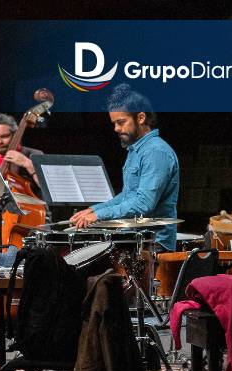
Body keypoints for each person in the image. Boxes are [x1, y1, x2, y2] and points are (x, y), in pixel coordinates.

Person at [70, 84, 180, 251]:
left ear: (141, 118)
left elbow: (144, 203)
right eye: (114, 123)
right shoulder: (136, 149)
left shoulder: (156, 152)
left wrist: (98, 216)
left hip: (154, 245)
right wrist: (94, 209)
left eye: (121, 122)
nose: (116, 129)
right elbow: (128, 195)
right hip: (135, 239)